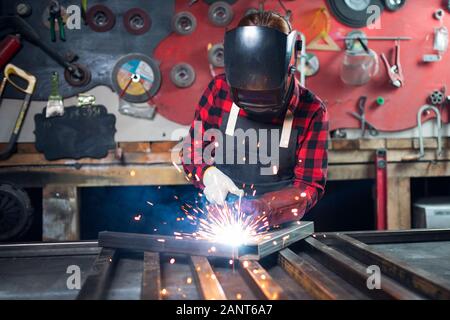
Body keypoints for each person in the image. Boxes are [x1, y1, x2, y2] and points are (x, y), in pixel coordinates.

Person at [181, 11, 328, 228]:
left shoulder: (312, 110)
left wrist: (264, 207)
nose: (256, 101)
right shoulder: (219, 90)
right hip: (220, 224)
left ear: (289, 66)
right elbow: (192, 150)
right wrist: (208, 174)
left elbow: (308, 186)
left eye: (266, 92)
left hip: (278, 229)